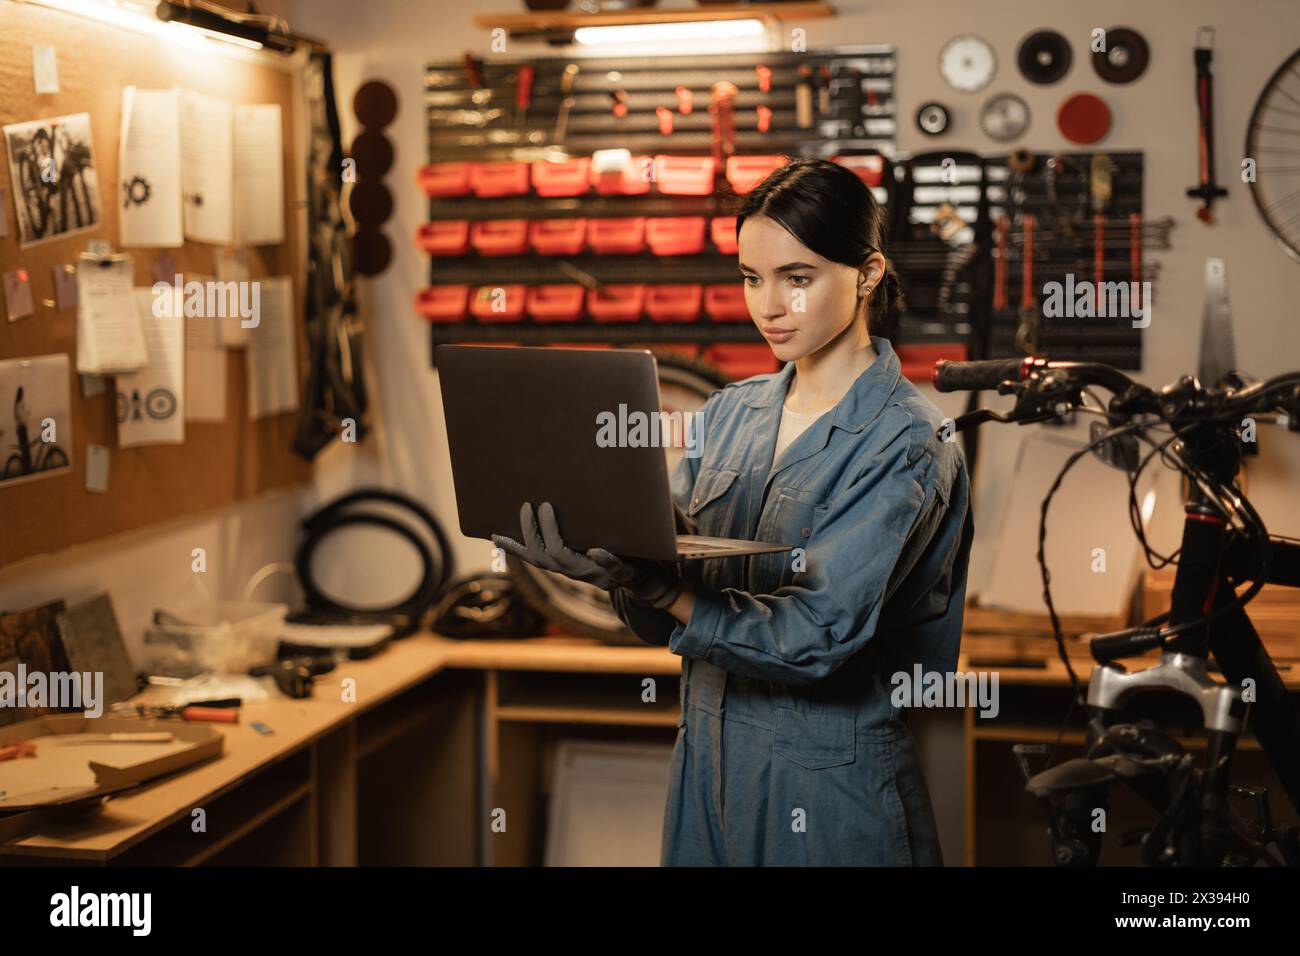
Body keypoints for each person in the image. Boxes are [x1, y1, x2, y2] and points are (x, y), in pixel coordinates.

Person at [493, 158, 974, 866]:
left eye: (797, 278)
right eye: (752, 278)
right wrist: (620, 570)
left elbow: (815, 636)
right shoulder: (729, 414)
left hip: (829, 783)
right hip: (706, 766)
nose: (768, 306)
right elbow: (669, 615)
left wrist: (666, 588)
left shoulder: (906, 442)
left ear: (868, 274)